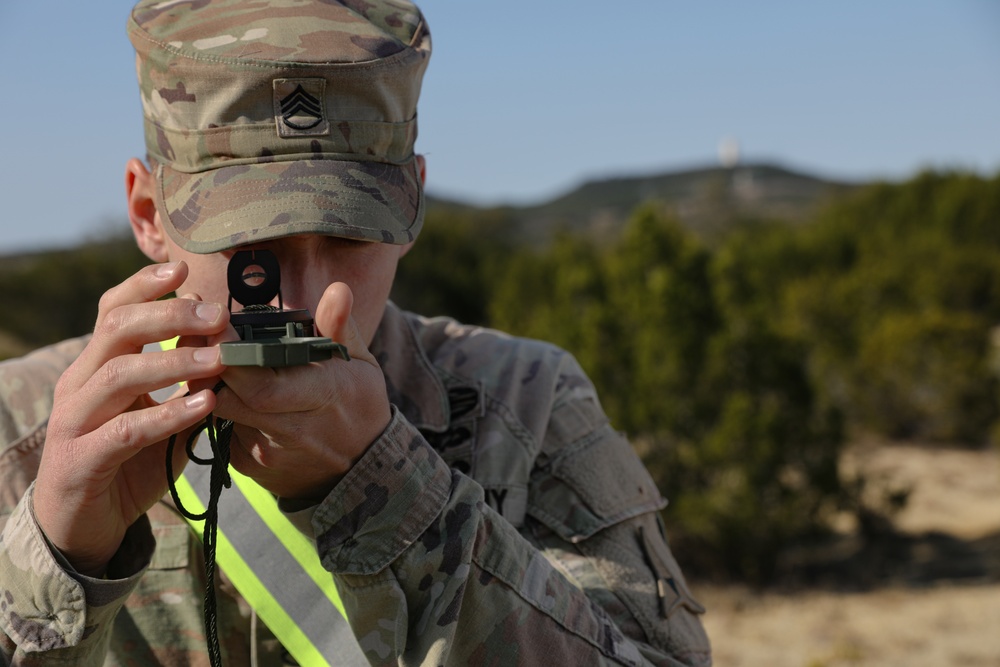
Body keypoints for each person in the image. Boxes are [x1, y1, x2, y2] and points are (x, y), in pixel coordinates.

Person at [0, 0, 712, 665]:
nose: (313, 300)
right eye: (254, 246)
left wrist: (395, 494)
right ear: (150, 212)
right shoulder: (18, 431)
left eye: (350, 235)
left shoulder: (523, 405)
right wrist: (60, 559)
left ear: (411, 209)